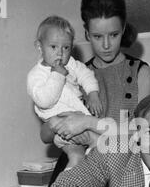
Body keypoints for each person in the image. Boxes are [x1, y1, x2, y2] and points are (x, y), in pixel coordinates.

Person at [40, 0, 150, 178]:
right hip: (78, 164)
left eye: (114, 34)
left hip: (122, 172)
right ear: (86, 33)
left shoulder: (142, 73)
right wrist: (62, 120)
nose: (107, 45)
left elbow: (140, 132)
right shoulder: (74, 74)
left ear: (124, 29)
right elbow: (45, 135)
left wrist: (86, 122)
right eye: (97, 36)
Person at [27, 15, 103, 168]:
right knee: (85, 150)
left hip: (80, 121)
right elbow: (44, 101)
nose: (60, 53)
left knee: (83, 155)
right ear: (39, 47)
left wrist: (93, 93)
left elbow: (86, 74)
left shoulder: (71, 64)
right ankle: (70, 186)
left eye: (66, 47)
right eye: (53, 47)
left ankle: (69, 186)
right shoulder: (36, 75)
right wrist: (58, 75)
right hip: (59, 125)